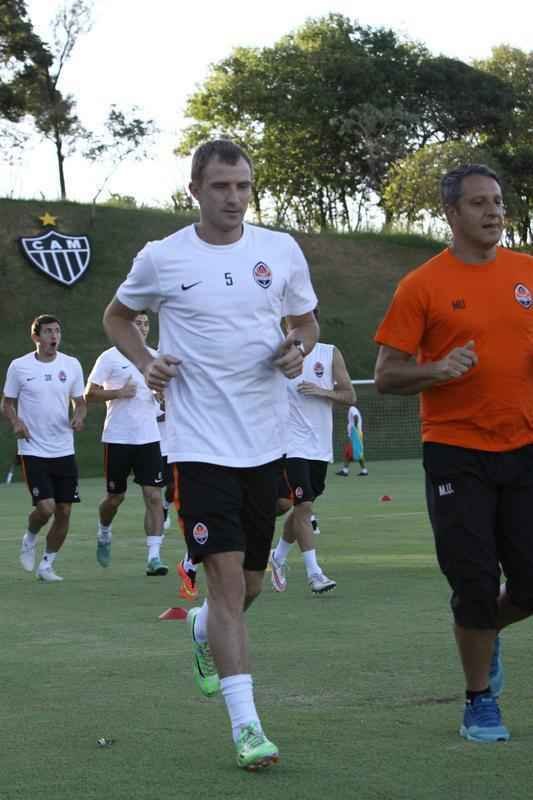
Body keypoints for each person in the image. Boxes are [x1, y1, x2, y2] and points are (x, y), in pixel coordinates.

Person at [102, 139, 319, 770]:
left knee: (247, 586)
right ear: (194, 189)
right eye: (221, 186)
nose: (234, 198)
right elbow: (117, 317)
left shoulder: (280, 250)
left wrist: (298, 348)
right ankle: (248, 728)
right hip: (197, 445)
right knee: (225, 583)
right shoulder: (162, 257)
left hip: (266, 441)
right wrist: (147, 360)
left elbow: (305, 322)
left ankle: (202, 628)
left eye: (243, 186)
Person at [374, 163, 533, 744]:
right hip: (456, 452)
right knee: (474, 583)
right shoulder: (422, 285)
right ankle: (478, 700)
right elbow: (386, 375)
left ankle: (484, 634)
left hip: (524, 447)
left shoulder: (526, 272)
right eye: (478, 203)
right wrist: (437, 369)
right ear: (450, 212)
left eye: (498, 201)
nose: (493, 212)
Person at [270, 311, 355, 594]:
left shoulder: (329, 353)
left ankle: (278, 556)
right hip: (289, 444)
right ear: (286, 324)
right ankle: (314, 573)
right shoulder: (276, 354)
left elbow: (349, 395)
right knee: (304, 507)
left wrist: (323, 391)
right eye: (291, 322)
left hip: (319, 447)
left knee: (299, 508)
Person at [1, 314, 86, 581]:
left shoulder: (71, 365)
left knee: (64, 511)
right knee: (46, 508)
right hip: (33, 448)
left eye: (57, 331)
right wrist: (16, 422)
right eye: (48, 331)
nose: (54, 336)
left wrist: (79, 416)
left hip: (64, 449)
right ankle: (30, 537)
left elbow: (80, 402)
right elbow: (7, 403)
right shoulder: (19, 366)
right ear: (36, 336)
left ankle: (47, 565)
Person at [85, 311, 168, 576]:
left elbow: (166, 396)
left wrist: (162, 396)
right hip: (118, 437)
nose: (142, 328)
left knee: (154, 496)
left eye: (146, 324)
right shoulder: (109, 357)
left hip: (149, 437)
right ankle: (104, 531)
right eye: (137, 323)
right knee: (115, 498)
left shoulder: (154, 358)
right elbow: (89, 394)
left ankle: (154, 557)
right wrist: (119, 393)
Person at [336, 404, 368, 476]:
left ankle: (345, 471)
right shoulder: (352, 409)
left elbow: (356, 417)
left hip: (355, 435)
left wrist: (355, 429)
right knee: (353, 452)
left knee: (352, 452)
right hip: (355, 434)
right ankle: (363, 470)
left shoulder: (352, 408)